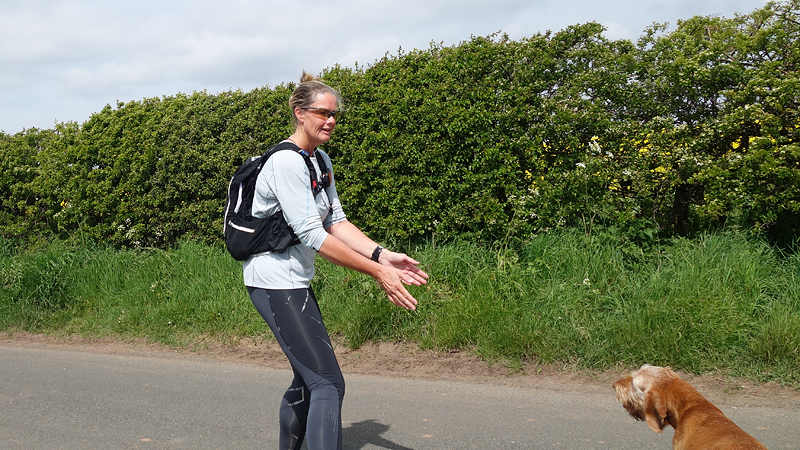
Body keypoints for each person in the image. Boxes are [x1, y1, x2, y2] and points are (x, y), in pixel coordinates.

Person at [244, 71, 429, 450]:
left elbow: (336, 222)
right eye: (322, 113)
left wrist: (382, 254)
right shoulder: (285, 162)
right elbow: (313, 234)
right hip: (273, 281)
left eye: (334, 114)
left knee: (307, 380)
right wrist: (377, 271)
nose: (330, 120)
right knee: (327, 383)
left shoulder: (320, 160)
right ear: (299, 113)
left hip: (295, 280)